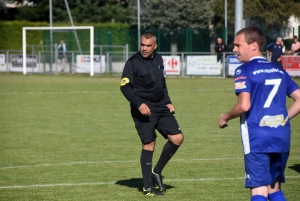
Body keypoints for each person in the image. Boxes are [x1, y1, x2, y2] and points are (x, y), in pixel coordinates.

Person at [218, 26, 300, 201]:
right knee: (274, 186)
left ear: (253, 45)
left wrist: (225, 117)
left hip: (257, 136)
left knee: (259, 190)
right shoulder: (278, 70)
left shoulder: (244, 70)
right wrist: (283, 118)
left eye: (237, 45)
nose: (234, 49)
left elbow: (244, 105)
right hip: (281, 135)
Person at [120, 32, 184, 196]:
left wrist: (168, 100)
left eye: (148, 46)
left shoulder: (159, 59)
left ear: (155, 46)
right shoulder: (132, 62)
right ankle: (147, 187)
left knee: (177, 138)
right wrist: (139, 104)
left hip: (160, 106)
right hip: (142, 108)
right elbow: (125, 87)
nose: (144, 48)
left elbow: (162, 83)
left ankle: (156, 172)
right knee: (149, 144)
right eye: (142, 45)